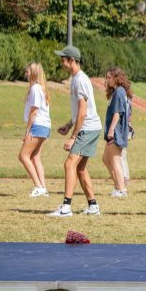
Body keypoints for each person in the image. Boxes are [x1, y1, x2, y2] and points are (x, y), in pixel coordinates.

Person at [48, 46, 103, 217]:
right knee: (79, 168)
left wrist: (73, 137)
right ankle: (93, 206)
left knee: (69, 164)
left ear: (71, 60)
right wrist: (68, 124)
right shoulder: (76, 79)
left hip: (88, 128)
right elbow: (79, 112)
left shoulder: (80, 80)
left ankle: (66, 207)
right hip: (89, 127)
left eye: (63, 59)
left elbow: (83, 112)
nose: (61, 62)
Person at [19, 62, 51, 197]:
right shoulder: (41, 88)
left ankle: (38, 186)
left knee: (23, 156)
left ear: (33, 73)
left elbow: (34, 111)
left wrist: (27, 130)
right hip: (44, 126)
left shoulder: (35, 88)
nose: (26, 74)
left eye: (27, 72)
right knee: (35, 157)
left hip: (37, 125)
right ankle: (42, 187)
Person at [101, 66, 132, 198]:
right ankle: (118, 186)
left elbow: (118, 113)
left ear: (116, 78)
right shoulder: (117, 92)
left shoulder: (119, 91)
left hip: (117, 131)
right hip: (114, 131)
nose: (107, 80)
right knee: (106, 159)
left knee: (115, 160)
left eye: (109, 77)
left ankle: (121, 189)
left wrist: (112, 130)